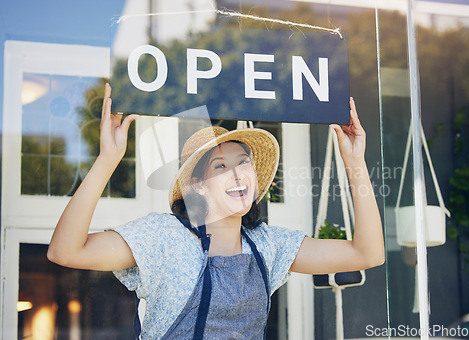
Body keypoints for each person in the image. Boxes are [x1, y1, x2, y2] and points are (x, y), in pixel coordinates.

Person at [48, 83, 384, 339]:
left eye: (244, 162)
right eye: (221, 166)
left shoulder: (268, 247)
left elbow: (367, 254)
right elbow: (66, 250)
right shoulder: (164, 239)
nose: (238, 174)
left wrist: (355, 161)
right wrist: (108, 159)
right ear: (197, 186)